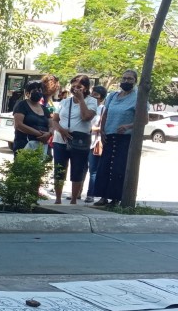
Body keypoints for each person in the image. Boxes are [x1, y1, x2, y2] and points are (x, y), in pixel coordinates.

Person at [93, 69, 139, 208]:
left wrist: (127, 126)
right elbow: (105, 114)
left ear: (135, 81)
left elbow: (144, 119)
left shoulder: (138, 97)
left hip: (125, 138)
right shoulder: (112, 96)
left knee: (118, 168)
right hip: (109, 135)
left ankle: (115, 199)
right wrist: (102, 131)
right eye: (124, 78)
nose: (126, 81)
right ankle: (103, 197)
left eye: (130, 79)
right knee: (104, 166)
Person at [51, 74, 97, 204]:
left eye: (79, 86)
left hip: (80, 142)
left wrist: (81, 100)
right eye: (74, 86)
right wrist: (61, 130)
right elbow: (54, 121)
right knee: (59, 169)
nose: (76, 88)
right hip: (60, 140)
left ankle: (73, 200)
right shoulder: (64, 102)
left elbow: (86, 117)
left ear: (86, 88)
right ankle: (58, 199)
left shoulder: (91, 101)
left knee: (77, 169)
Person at [84, 85, 107, 203]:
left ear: (102, 98)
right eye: (92, 94)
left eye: (96, 95)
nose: (93, 96)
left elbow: (103, 127)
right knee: (80, 168)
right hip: (82, 141)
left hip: (94, 143)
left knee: (93, 170)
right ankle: (76, 193)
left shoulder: (103, 109)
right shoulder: (86, 106)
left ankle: (90, 194)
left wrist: (93, 129)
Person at [12, 90, 51, 156]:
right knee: (23, 165)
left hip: (42, 146)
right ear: (27, 93)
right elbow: (18, 125)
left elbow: (52, 124)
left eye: (39, 89)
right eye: (34, 90)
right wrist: (40, 134)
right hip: (24, 144)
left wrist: (49, 133)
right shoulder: (22, 105)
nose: (38, 92)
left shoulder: (45, 109)